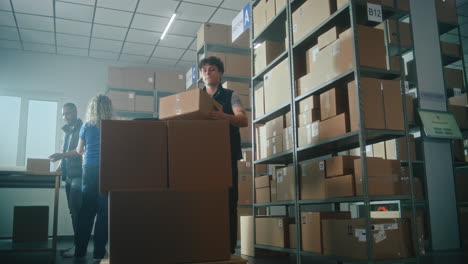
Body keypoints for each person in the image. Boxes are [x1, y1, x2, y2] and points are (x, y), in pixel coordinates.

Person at [199, 56, 248, 254]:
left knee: (229, 200)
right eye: (204, 70)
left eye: (212, 69)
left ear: (220, 73)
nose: (207, 72)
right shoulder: (197, 98)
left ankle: (228, 247)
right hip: (201, 158)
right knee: (202, 201)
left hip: (226, 156)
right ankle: (204, 243)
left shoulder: (231, 96)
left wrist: (223, 117)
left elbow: (242, 120)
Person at [74, 94, 113, 262]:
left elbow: (79, 150)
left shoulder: (86, 126)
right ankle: (98, 253)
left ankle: (80, 251)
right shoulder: (112, 125)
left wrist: (87, 154)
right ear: (108, 108)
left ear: (92, 108)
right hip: (106, 169)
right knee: (103, 213)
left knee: (86, 212)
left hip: (89, 169)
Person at [49, 103, 83, 258]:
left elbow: (79, 151)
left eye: (68, 113)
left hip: (79, 176)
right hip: (68, 176)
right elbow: (64, 153)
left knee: (77, 213)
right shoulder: (66, 131)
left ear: (75, 112)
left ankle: (79, 248)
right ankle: (78, 246)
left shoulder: (83, 128)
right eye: (63, 114)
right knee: (73, 212)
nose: (65, 117)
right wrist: (58, 168)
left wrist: (61, 156)